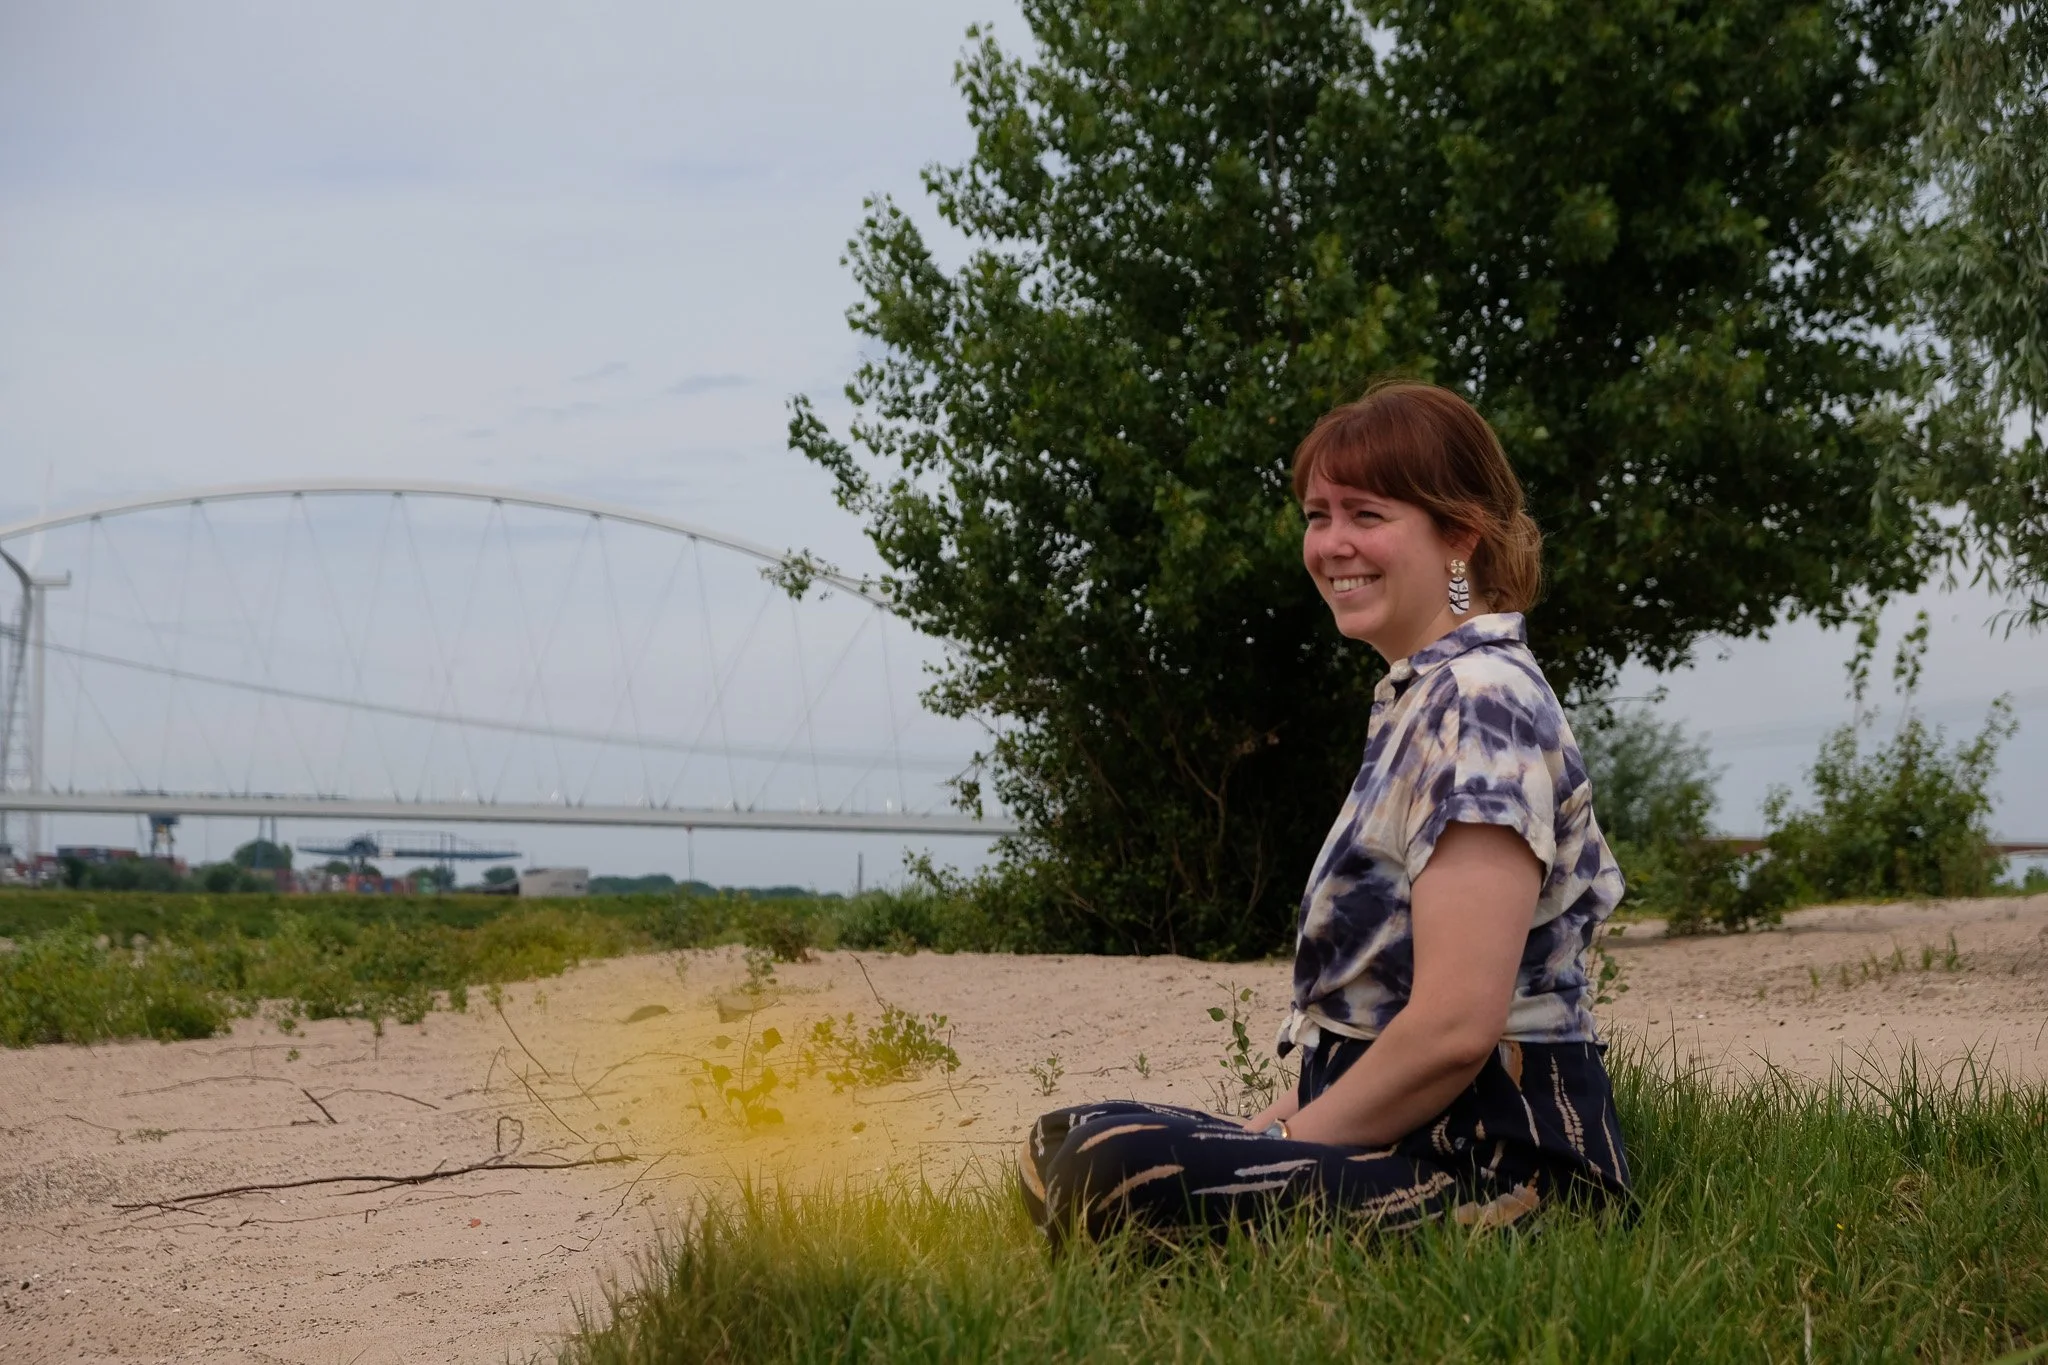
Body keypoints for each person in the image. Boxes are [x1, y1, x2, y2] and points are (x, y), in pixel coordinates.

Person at [1019, 379, 1630, 1248]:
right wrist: (1272, 1128)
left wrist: (1279, 1144)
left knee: (1107, 1168)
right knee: (1069, 1136)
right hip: (1409, 1130)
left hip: (1502, 1164)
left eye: (1367, 514)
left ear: (1460, 531)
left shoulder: (1482, 702)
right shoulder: (1424, 694)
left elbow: (1457, 1029)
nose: (1332, 544)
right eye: (1317, 515)